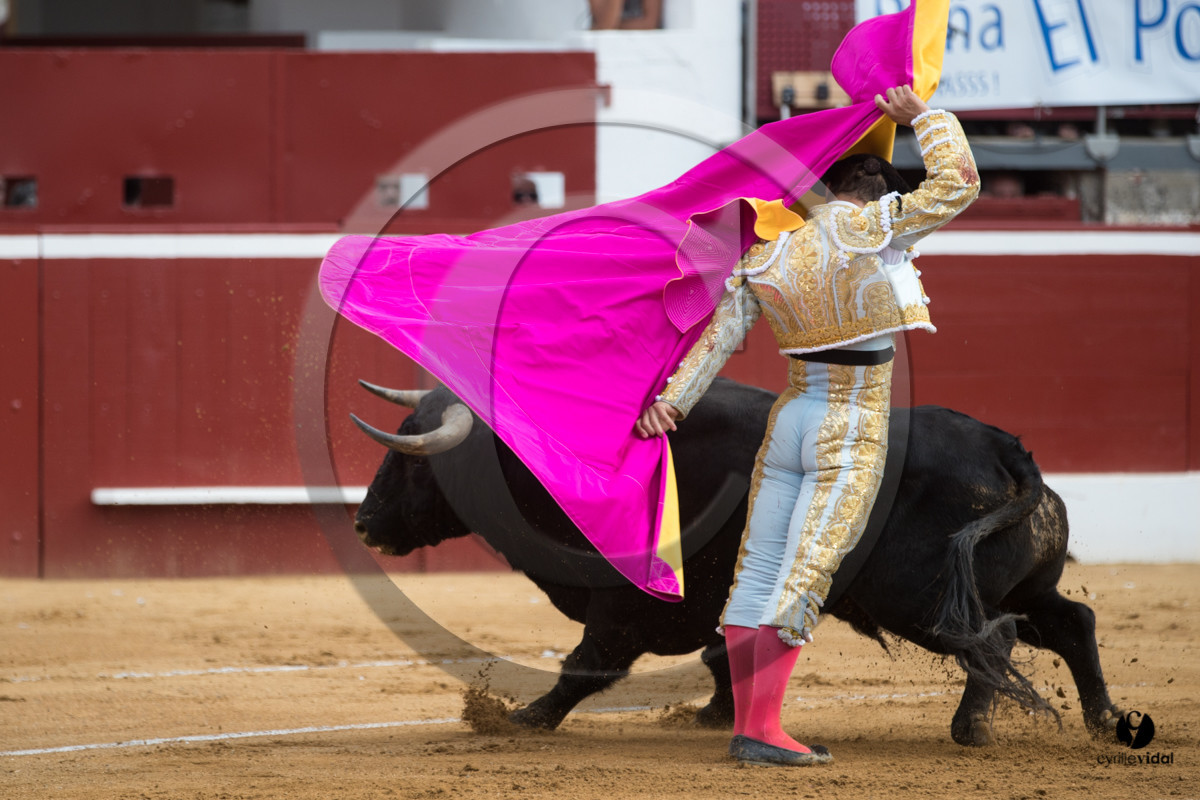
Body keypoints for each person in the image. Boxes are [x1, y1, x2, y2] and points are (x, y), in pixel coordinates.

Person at [635, 85, 980, 767]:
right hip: (850, 423)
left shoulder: (765, 252)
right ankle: (761, 730)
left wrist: (668, 403)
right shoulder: (873, 227)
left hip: (789, 419)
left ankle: (750, 724)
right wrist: (927, 119)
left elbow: (716, 338)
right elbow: (959, 185)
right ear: (869, 186)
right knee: (807, 572)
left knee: (759, 568)